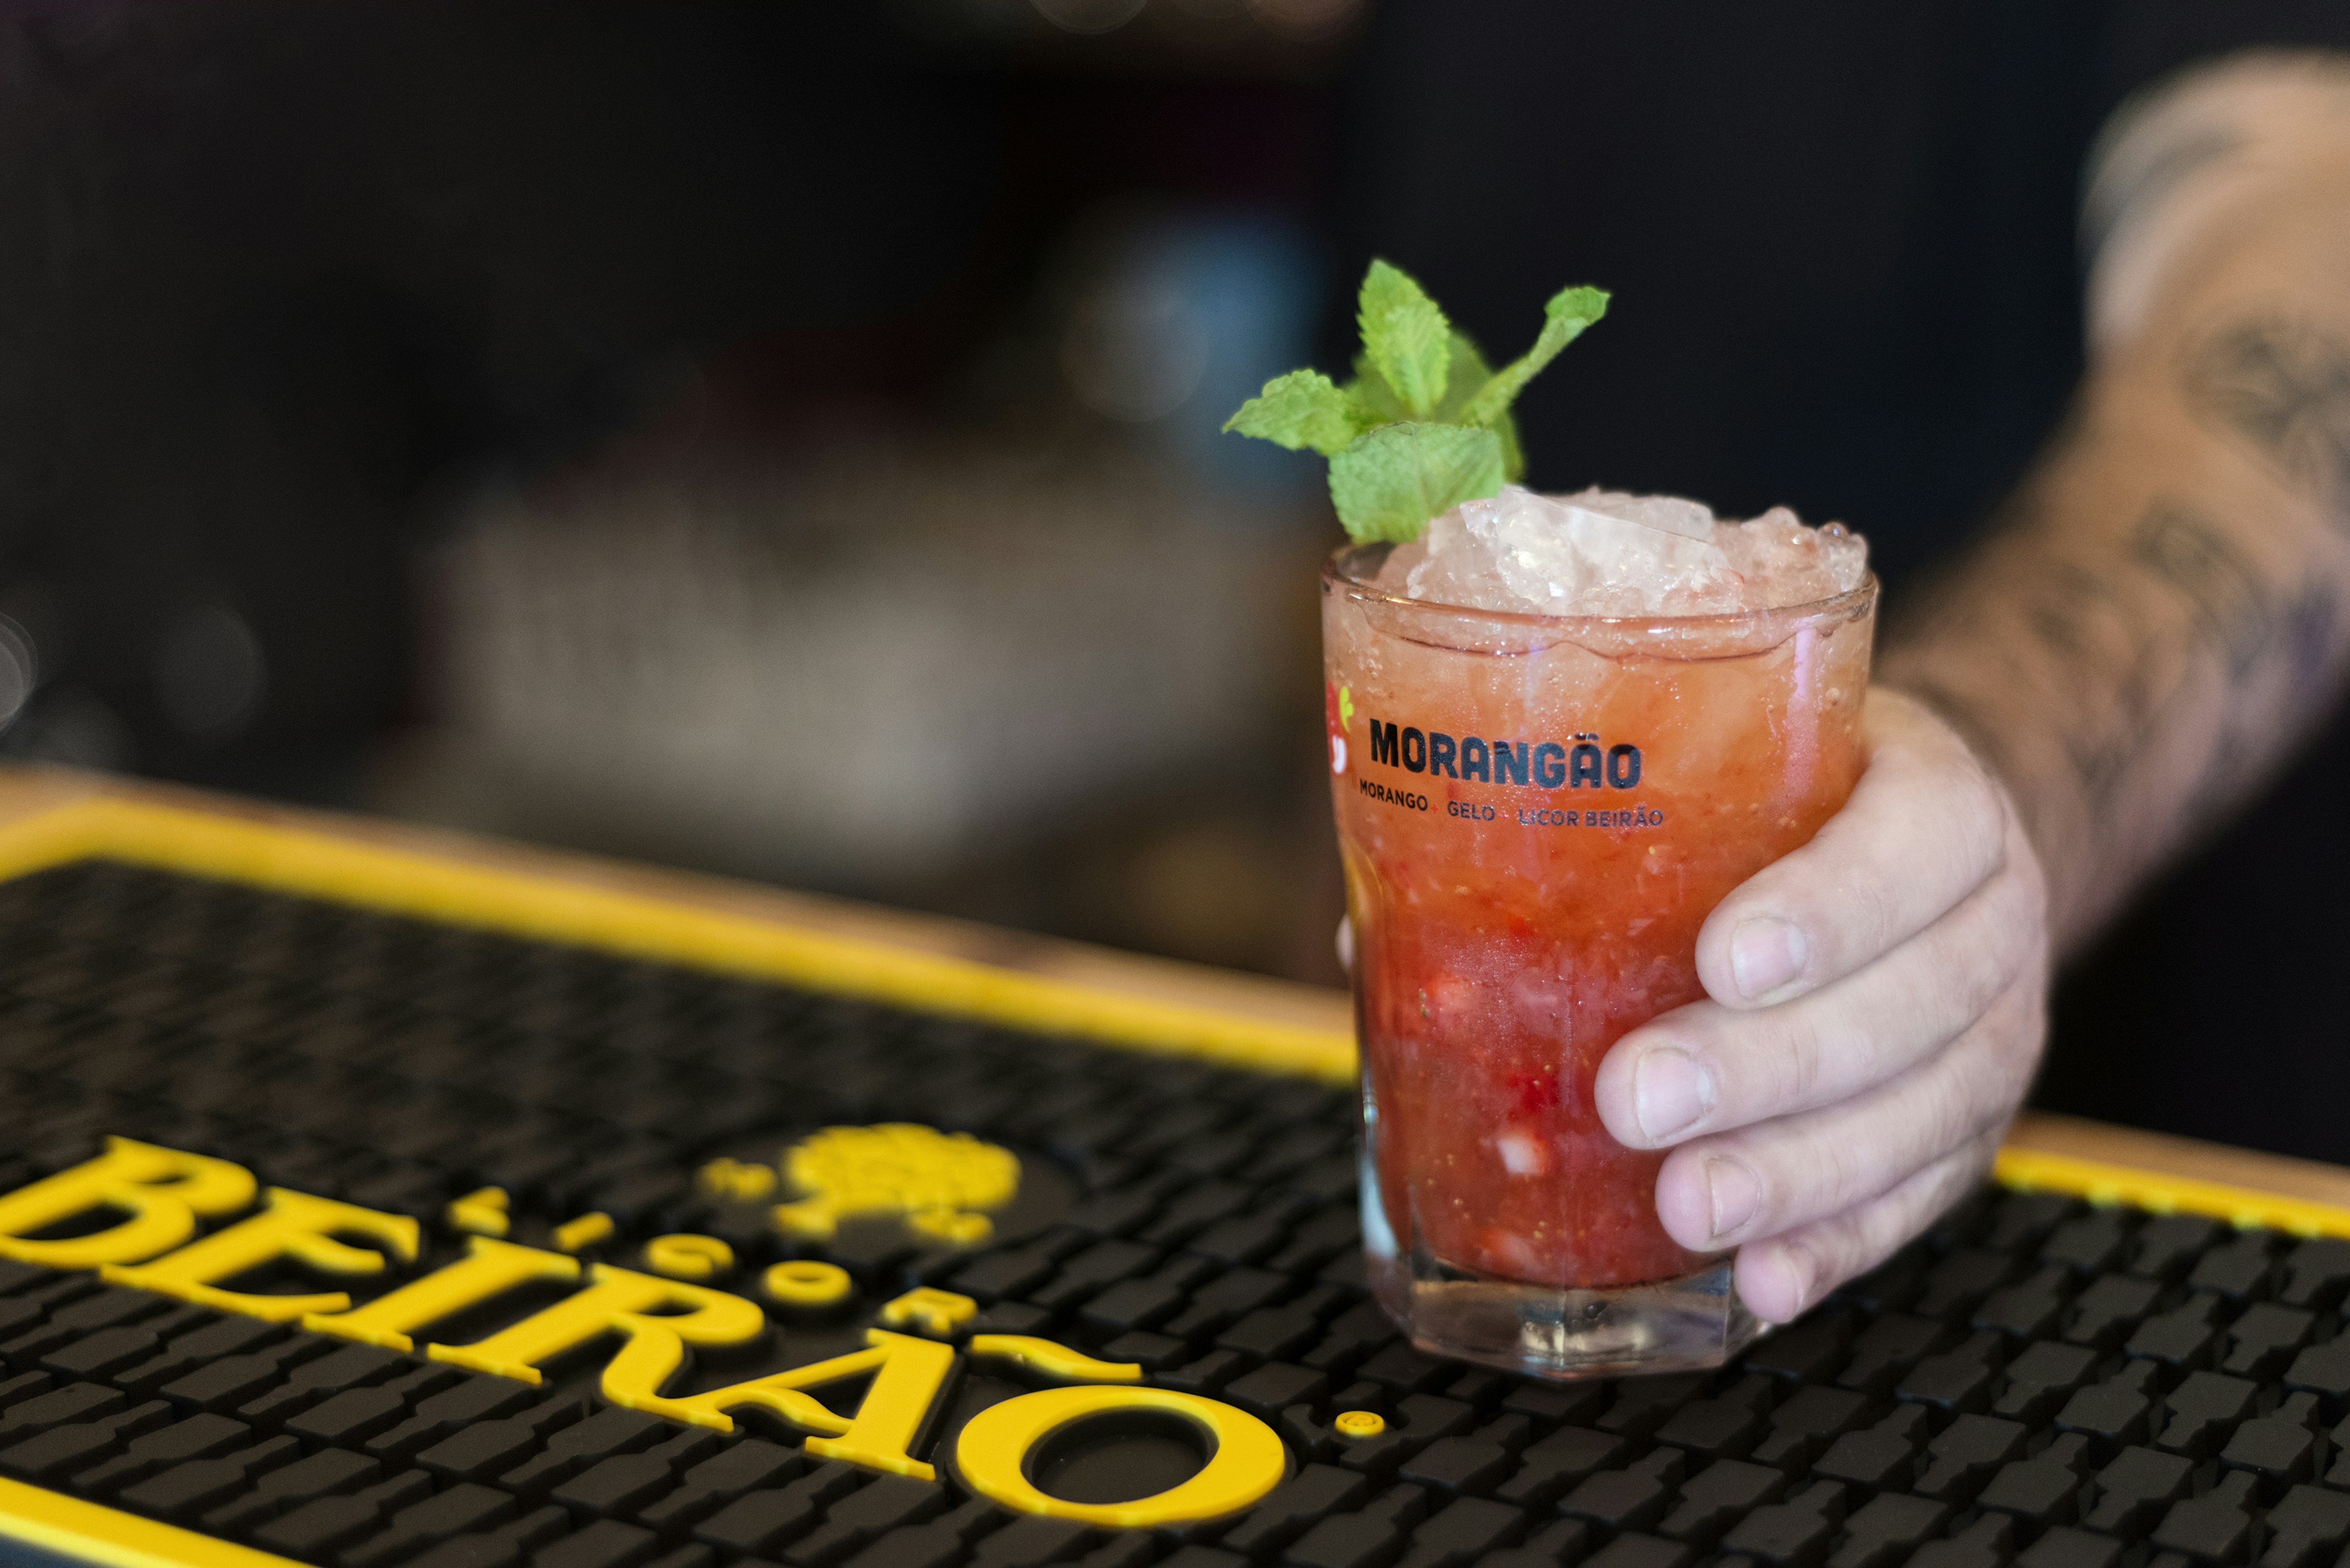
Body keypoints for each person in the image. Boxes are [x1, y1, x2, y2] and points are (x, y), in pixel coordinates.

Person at [1342, 10, 2350, 1322]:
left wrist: (1978, 772)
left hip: (2169, 1249)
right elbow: (1385, 509)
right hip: (1462, 1267)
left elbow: (2303, 236)